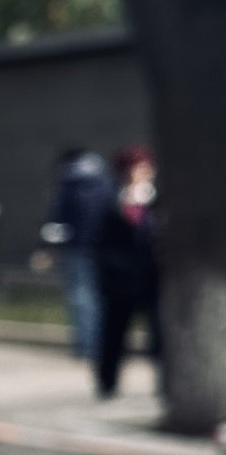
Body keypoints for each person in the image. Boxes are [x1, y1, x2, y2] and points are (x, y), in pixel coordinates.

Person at [94, 144, 162, 399]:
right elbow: (102, 241)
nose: (142, 172)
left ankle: (165, 384)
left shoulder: (157, 199)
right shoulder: (114, 199)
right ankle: (107, 384)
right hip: (121, 279)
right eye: (137, 168)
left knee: (160, 334)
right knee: (115, 333)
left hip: (152, 277)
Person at [41, 148, 116, 361]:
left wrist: (48, 248)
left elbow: (58, 219)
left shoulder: (68, 183)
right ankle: (100, 342)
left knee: (79, 296)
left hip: (74, 248)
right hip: (102, 248)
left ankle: (85, 344)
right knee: (98, 296)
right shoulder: (105, 180)